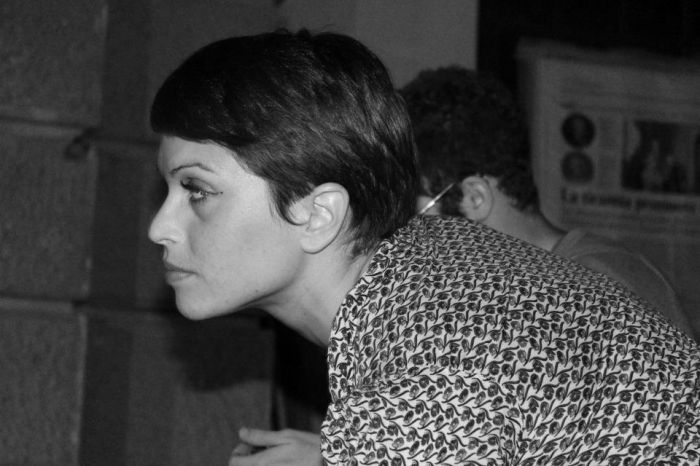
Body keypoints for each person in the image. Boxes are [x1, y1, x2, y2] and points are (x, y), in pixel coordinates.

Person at [148, 30, 700, 465]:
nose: (159, 227)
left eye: (197, 190)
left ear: (318, 214)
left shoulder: (429, 355)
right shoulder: (435, 266)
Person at [402, 65, 695, 338]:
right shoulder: (514, 290)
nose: (408, 234)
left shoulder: (600, 285)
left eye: (416, 213)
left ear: (474, 198)